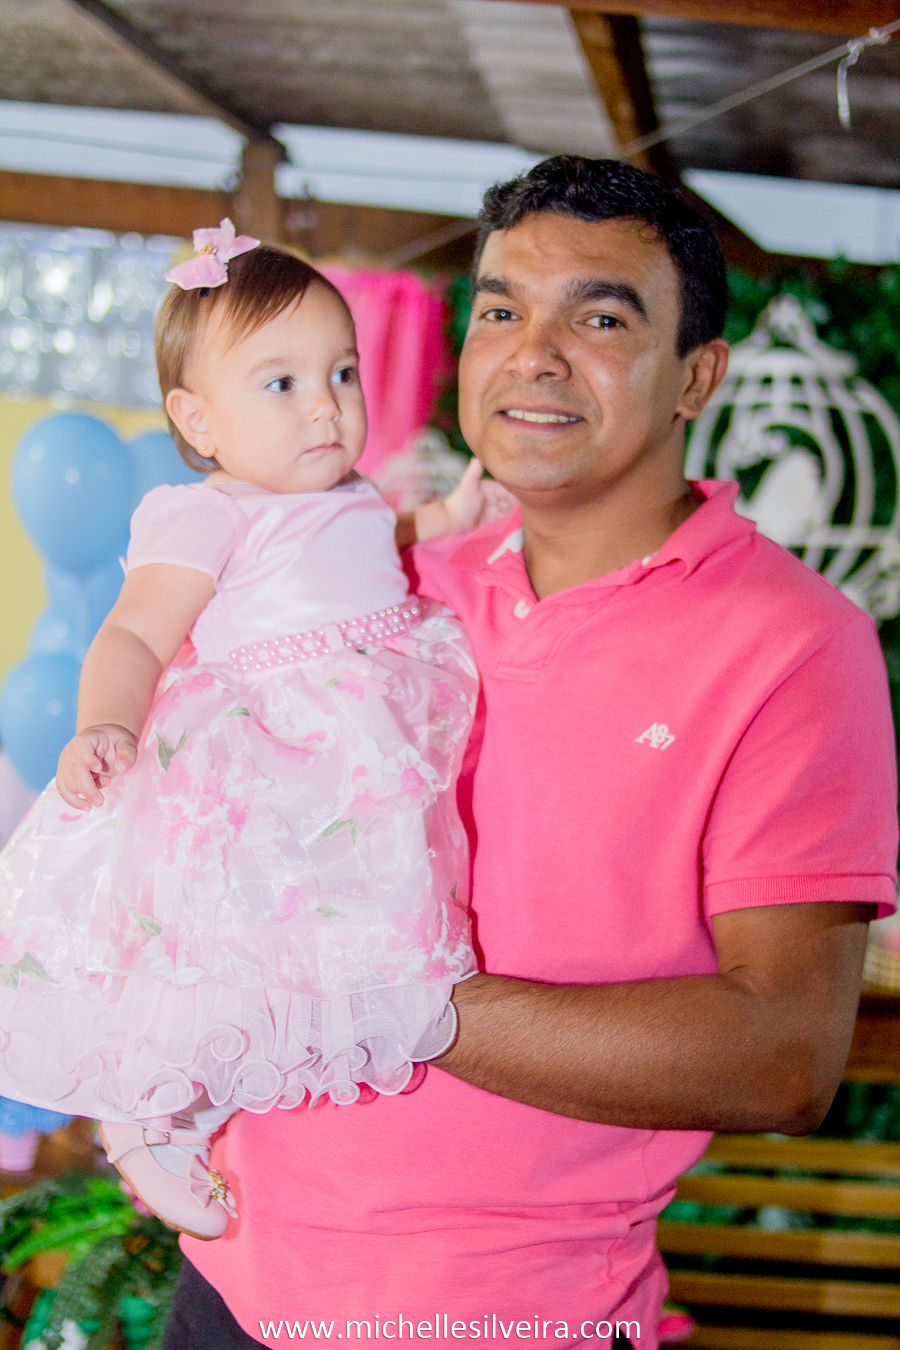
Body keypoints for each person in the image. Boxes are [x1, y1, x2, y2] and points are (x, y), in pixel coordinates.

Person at [166, 158, 898, 1350]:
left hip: (509, 1318)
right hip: (235, 1288)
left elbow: (783, 1058)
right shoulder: (391, 580)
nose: (533, 353)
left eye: (600, 317)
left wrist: (397, 1001)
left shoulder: (796, 643)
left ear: (696, 376)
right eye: (502, 308)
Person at [0, 226, 499, 1239]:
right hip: (260, 765)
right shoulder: (206, 514)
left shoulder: (352, 490)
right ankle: (147, 1116)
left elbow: (373, 536)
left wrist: (443, 516)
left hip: (353, 771)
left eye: (343, 372)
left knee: (325, 945)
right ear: (198, 420)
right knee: (214, 955)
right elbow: (135, 632)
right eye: (281, 383)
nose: (326, 403)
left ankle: (221, 1099)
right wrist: (105, 720)